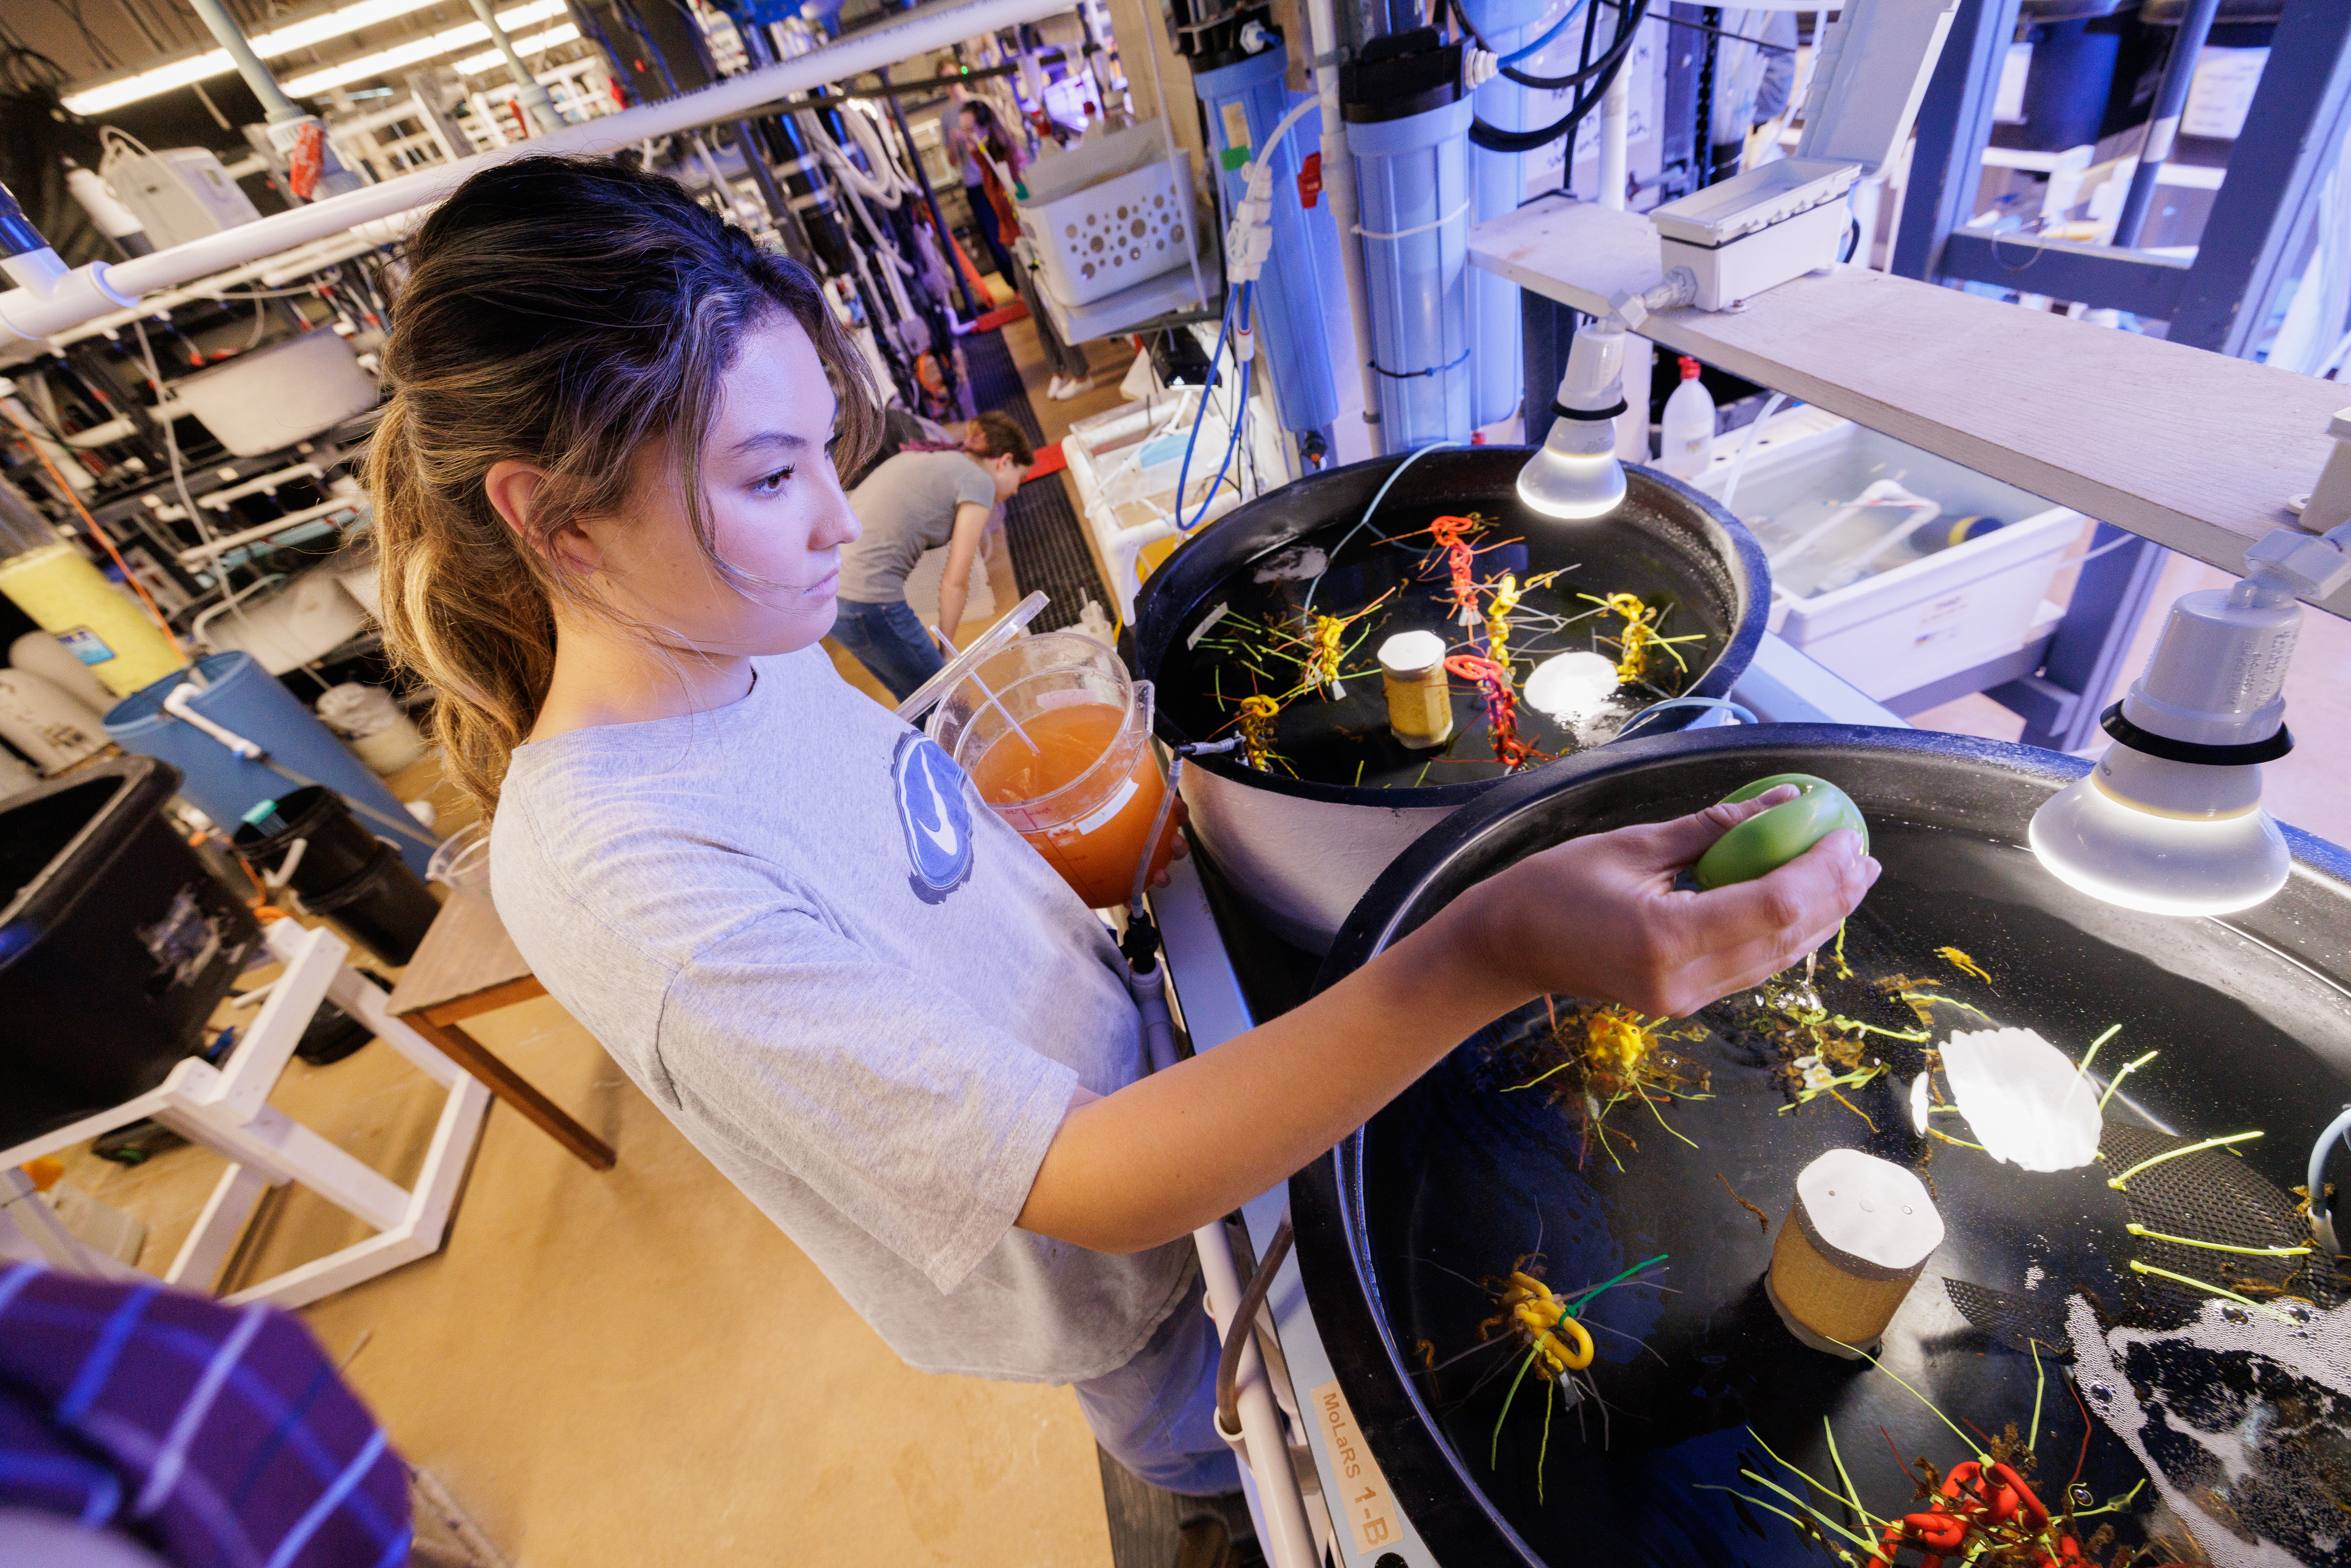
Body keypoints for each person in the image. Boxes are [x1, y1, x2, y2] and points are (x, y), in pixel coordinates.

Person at [368, 155, 1878, 1508]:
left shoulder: (737, 644)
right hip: (1140, 1290)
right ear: (557, 526)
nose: (838, 518)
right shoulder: (613, 873)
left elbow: (910, 883)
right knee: (1267, 1470)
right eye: (770, 477)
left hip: (1176, 1083)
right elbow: (1087, 1178)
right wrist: (1489, 943)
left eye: (824, 451)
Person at [830, 409, 1031, 701]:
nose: (1015, 491)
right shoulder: (979, 481)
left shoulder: (939, 458)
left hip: (835, 598)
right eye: (1020, 478)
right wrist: (948, 655)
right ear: (1005, 462)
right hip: (866, 599)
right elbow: (956, 581)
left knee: (916, 700)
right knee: (947, 702)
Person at [951, 98, 1094, 400]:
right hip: (1011, 239)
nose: (966, 137)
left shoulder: (1008, 159)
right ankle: (1058, 370)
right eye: (963, 132)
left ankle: (1079, 372)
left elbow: (1020, 197)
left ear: (985, 127)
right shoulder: (987, 160)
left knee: (1048, 308)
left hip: (1025, 239)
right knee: (1035, 310)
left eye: (969, 130)